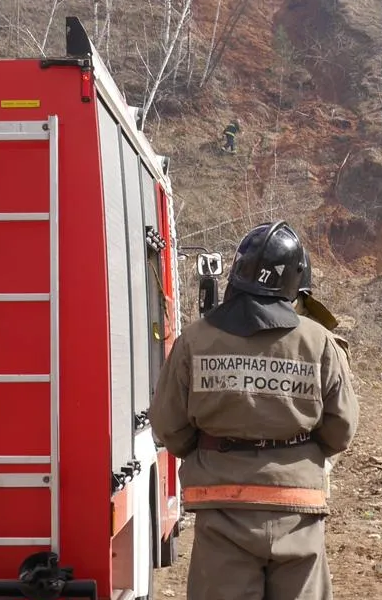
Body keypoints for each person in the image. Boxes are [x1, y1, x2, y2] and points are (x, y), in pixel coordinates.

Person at [150, 221, 358, 600]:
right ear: (297, 283)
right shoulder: (320, 343)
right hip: (298, 511)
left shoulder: (194, 341)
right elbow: (341, 430)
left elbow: (169, 427)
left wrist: (212, 449)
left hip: (222, 511)